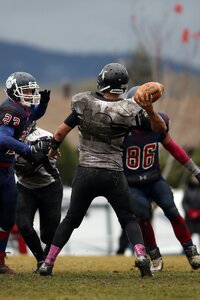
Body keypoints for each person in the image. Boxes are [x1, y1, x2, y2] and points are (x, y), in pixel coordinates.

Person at [38, 62, 167, 278]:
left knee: (70, 219)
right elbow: (160, 129)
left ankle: (48, 263)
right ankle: (141, 256)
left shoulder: (83, 101)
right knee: (128, 218)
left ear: (102, 81)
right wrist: (150, 110)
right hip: (113, 173)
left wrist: (52, 150)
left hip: (86, 171)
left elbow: (59, 133)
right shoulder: (129, 110)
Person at [116, 86, 200, 272]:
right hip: (132, 183)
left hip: (154, 179)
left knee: (172, 210)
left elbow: (174, 148)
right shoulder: (120, 129)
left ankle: (190, 250)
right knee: (143, 216)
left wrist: (195, 171)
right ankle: (154, 255)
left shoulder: (157, 122)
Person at [0, 72, 51, 274]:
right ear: (14, 91)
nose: (30, 95)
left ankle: (0, 262)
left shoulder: (22, 108)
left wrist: (44, 105)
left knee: (7, 218)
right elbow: (3, 138)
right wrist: (27, 150)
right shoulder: (10, 109)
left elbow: (32, 115)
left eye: (32, 91)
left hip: (6, 170)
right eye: (27, 91)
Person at [15, 124, 63, 273]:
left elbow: (32, 164)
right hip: (25, 186)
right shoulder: (7, 138)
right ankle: (41, 260)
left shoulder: (44, 137)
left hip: (49, 185)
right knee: (23, 225)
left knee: (48, 234)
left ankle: (48, 259)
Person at [182, 176, 200, 247]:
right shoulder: (188, 188)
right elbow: (184, 202)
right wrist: (189, 211)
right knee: (187, 235)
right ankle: (186, 250)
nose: (195, 179)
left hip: (199, 217)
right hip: (189, 217)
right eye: (193, 177)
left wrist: (198, 212)